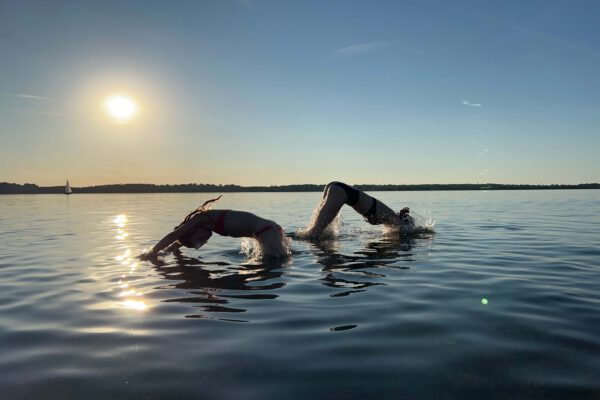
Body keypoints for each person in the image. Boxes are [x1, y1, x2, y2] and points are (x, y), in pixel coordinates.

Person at [141, 196, 288, 258]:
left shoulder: (202, 218)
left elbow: (176, 235)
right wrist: (169, 251)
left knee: (276, 266)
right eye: (200, 244)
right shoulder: (205, 224)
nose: (203, 243)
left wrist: (152, 252)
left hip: (268, 232)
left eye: (199, 241)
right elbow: (179, 240)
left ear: (193, 231)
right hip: (269, 232)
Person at [300, 181, 415, 238]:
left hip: (338, 189)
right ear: (403, 221)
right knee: (313, 234)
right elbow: (405, 230)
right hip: (341, 192)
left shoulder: (387, 215)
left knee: (318, 233)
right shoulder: (393, 219)